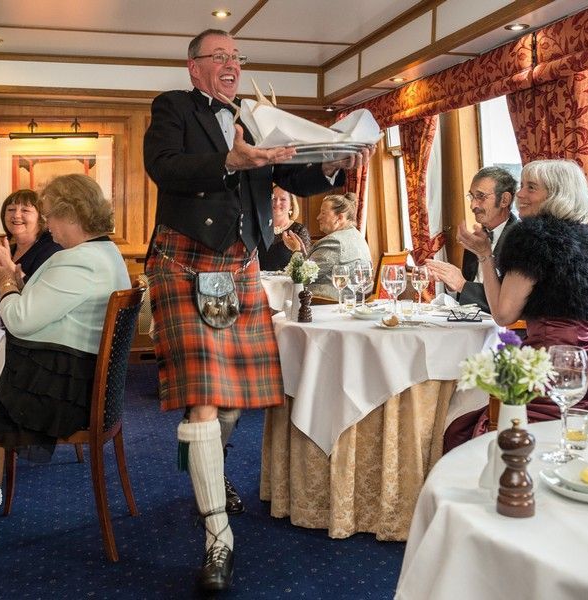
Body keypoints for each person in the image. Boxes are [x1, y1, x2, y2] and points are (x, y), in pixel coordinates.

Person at [143, 28, 370, 592]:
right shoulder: (172, 108)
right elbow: (165, 168)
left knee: (234, 399)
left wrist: (330, 164)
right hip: (183, 259)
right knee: (204, 396)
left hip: (240, 264)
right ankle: (217, 535)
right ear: (194, 66)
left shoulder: (256, 113)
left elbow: (289, 169)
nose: (230, 65)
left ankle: (209, 477)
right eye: (218, 56)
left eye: (235, 57)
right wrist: (229, 159)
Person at [0, 174, 130, 517]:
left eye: (49, 216)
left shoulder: (78, 260)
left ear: (71, 215)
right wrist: (13, 278)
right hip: (75, 378)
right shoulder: (105, 253)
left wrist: (5, 280)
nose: (47, 224)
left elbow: (21, 321)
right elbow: (47, 307)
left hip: (58, 392)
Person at [443, 159, 588, 451]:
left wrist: (485, 255)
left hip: (553, 371)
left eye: (530, 188)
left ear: (556, 195)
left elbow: (503, 314)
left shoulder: (533, 239)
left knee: (462, 430)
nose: (519, 195)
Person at [425, 166, 518, 313]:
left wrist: (461, 284)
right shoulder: (475, 238)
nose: (472, 205)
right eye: (472, 197)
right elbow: (467, 295)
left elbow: (508, 303)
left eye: (481, 197)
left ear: (504, 200)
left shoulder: (522, 240)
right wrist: (452, 286)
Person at [0, 189, 61, 329]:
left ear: (41, 218)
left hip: (31, 333)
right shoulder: (7, 249)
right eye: (11, 209)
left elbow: (38, 300)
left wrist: (8, 267)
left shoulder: (52, 249)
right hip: (0, 330)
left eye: (25, 210)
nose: (16, 215)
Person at [283, 192, 371, 300]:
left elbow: (300, 277)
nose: (318, 217)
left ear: (339, 217)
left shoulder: (335, 242)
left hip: (322, 306)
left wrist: (295, 250)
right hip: (350, 303)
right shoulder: (357, 236)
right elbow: (318, 267)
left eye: (323, 213)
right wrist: (302, 252)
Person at [257, 185, 311, 271]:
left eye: (283, 199)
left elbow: (305, 264)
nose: (277, 203)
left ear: (291, 205)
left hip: (288, 283)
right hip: (259, 282)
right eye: (273, 198)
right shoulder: (257, 228)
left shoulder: (299, 230)